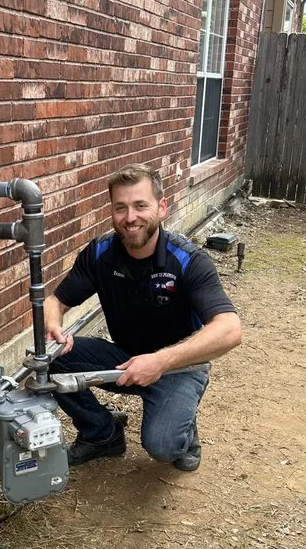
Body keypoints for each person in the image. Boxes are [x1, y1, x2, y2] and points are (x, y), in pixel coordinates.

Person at [44, 164, 242, 471]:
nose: (130, 218)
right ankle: (102, 433)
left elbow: (230, 329)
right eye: (120, 208)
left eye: (140, 206)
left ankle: (184, 428)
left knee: (163, 447)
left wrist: (160, 361)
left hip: (178, 368)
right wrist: (54, 326)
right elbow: (55, 301)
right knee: (50, 359)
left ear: (161, 208)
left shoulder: (188, 260)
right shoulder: (100, 253)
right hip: (125, 359)